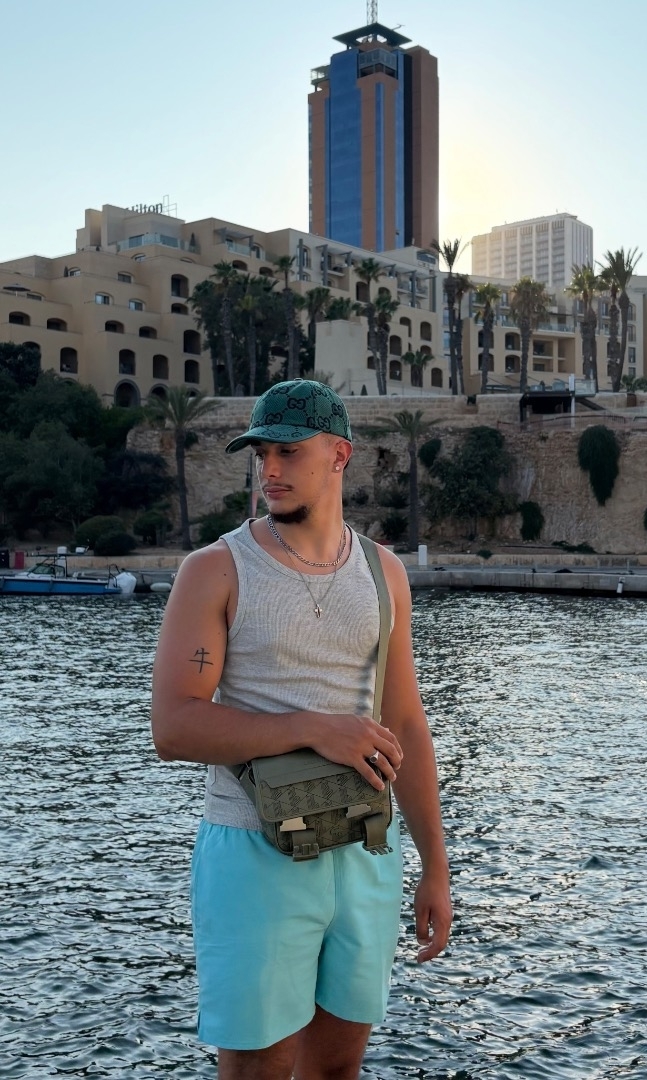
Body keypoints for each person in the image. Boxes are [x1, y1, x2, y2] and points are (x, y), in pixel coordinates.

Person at [151, 379, 452, 1080]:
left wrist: (435, 867)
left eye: (288, 452)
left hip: (366, 848)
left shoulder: (383, 573)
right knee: (256, 1068)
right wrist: (314, 728)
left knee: (339, 1068)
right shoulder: (215, 570)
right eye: (262, 454)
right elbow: (174, 725)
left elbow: (405, 722)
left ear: (339, 455)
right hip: (254, 851)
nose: (270, 470)